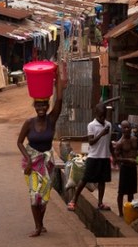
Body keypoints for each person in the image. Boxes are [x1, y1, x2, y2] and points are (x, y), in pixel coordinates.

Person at [16, 67, 65, 237]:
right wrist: (28, 160)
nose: (41, 107)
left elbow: (59, 99)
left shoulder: (52, 120)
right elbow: (19, 142)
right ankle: (37, 226)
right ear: (34, 106)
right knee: (34, 194)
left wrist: (57, 77)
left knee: (44, 196)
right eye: (38, 105)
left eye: (44, 104)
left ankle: (41, 223)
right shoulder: (29, 123)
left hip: (47, 161)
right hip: (32, 162)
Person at [68, 101, 114, 212]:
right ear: (96, 114)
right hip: (94, 157)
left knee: (102, 181)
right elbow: (91, 141)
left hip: (105, 157)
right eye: (100, 116)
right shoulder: (91, 125)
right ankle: (73, 200)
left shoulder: (109, 125)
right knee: (85, 179)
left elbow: (108, 142)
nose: (102, 118)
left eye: (104, 116)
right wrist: (102, 133)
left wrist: (113, 155)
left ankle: (100, 203)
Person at [113, 119, 138, 216]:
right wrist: (128, 160)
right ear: (122, 129)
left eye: (128, 127)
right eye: (125, 128)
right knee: (121, 192)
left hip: (133, 168)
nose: (127, 129)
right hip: (125, 169)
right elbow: (116, 158)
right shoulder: (120, 143)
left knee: (131, 192)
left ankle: (130, 212)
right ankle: (120, 213)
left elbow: (136, 151)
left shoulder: (135, 139)